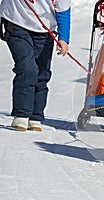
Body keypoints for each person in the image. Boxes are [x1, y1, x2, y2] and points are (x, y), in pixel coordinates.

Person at [0, 0, 71, 131]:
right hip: (16, 22)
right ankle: (21, 114)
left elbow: (63, 11)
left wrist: (64, 38)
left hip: (45, 30)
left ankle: (35, 116)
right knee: (27, 69)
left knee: (42, 73)